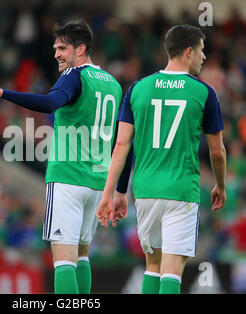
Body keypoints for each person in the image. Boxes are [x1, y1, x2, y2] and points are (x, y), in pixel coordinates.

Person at [0, 19, 123, 294]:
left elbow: (50, 103)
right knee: (82, 256)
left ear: (81, 49)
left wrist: (1, 92)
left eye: (62, 48)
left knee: (64, 262)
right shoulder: (112, 84)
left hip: (68, 177)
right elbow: (122, 139)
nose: (56, 54)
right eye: (55, 48)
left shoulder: (74, 75)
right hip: (97, 183)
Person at [97, 25, 227, 294]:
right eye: (202, 51)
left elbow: (121, 144)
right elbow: (217, 151)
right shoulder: (204, 93)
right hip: (181, 190)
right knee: (172, 270)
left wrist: (112, 193)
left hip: (145, 190)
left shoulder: (137, 89)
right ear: (189, 52)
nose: (204, 57)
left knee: (153, 265)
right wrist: (220, 185)